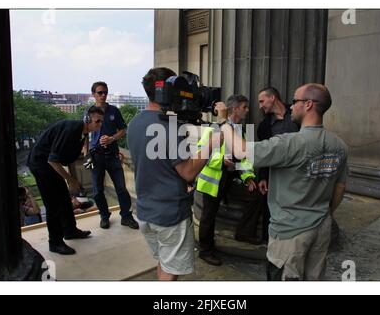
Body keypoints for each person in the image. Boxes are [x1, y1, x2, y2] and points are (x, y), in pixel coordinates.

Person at [220, 83, 348, 280]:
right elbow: (340, 187)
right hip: (321, 227)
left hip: (290, 233)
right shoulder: (339, 145)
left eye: (295, 101)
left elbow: (240, 151)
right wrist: (326, 213)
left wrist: (224, 122)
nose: (291, 106)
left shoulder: (289, 142)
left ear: (308, 105)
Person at [127, 67, 222, 280]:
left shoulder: (135, 123)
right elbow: (188, 172)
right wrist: (211, 144)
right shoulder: (169, 127)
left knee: (164, 261)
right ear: (169, 89)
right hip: (169, 214)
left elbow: (155, 163)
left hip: (145, 211)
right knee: (171, 272)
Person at [27, 106, 104, 255]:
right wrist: (71, 180)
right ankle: (54, 243)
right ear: (87, 119)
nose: (100, 124)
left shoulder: (83, 133)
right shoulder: (71, 130)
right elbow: (53, 160)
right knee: (53, 204)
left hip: (50, 164)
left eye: (102, 121)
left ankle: (70, 230)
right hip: (41, 164)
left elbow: (69, 159)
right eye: (97, 121)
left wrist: (73, 180)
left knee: (64, 198)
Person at [196, 94, 262, 267]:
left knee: (256, 195)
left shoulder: (241, 131)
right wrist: (221, 161)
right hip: (214, 179)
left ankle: (243, 233)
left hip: (232, 178)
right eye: (245, 107)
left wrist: (248, 177)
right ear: (235, 109)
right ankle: (205, 251)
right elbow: (201, 153)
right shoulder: (214, 128)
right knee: (208, 216)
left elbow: (244, 159)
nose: (247, 111)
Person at [85, 81, 138, 230]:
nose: (103, 95)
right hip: (96, 157)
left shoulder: (114, 110)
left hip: (113, 155)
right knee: (97, 190)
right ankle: (104, 216)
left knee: (121, 188)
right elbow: (84, 134)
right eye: (100, 93)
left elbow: (123, 129)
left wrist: (112, 138)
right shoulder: (89, 112)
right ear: (93, 94)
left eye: (105, 93)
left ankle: (126, 217)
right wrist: (86, 155)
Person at [256, 87, 300, 242]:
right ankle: (269, 241)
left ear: (272, 97)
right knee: (270, 207)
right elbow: (263, 153)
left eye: (262, 101)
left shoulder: (297, 112)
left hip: (298, 174)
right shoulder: (264, 127)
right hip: (276, 174)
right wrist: (262, 177)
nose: (260, 106)